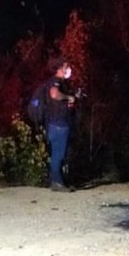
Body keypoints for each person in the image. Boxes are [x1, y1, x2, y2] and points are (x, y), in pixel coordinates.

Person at [42, 59, 77, 192]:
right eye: (66, 66)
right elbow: (54, 94)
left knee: (59, 154)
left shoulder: (62, 83)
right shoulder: (55, 81)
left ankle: (57, 180)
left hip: (58, 123)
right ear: (60, 68)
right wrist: (68, 97)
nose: (68, 69)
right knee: (59, 154)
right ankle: (56, 182)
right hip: (58, 124)